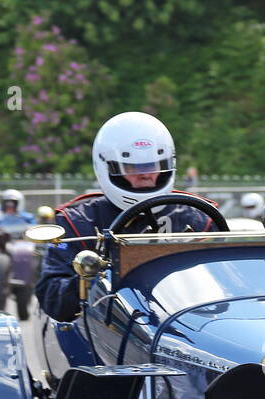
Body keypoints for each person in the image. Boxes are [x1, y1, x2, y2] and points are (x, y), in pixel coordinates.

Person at [34, 112, 218, 321]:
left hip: (188, 326)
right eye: (132, 167)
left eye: (154, 166)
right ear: (107, 168)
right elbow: (53, 300)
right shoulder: (77, 222)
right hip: (106, 328)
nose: (146, 175)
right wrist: (91, 275)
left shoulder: (200, 218)